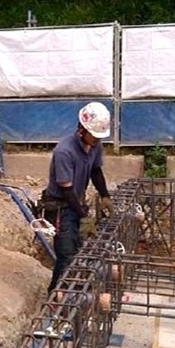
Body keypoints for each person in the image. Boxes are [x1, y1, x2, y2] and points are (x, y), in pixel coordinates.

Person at [41, 101, 114, 294]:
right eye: (95, 135)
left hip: (76, 203)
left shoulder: (95, 145)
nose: (98, 140)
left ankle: (75, 292)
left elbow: (96, 171)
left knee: (80, 250)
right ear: (82, 129)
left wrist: (105, 195)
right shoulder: (64, 151)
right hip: (60, 208)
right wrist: (84, 216)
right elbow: (67, 190)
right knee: (66, 255)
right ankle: (55, 296)